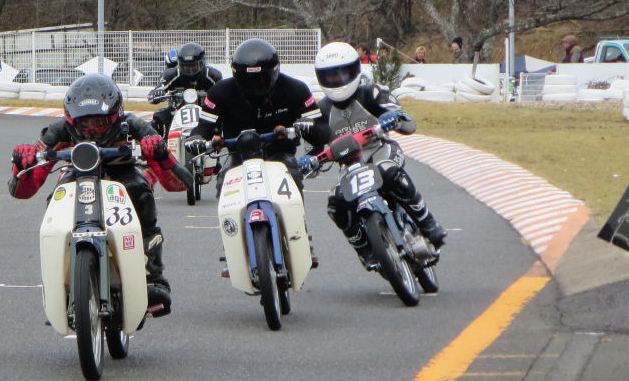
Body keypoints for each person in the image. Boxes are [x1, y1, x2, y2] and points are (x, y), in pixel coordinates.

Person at [8, 73, 191, 313]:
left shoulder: (133, 126)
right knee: (56, 201)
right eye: (85, 124)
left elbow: (180, 183)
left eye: (100, 123)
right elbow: (22, 189)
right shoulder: (58, 131)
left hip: (123, 173)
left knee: (141, 192)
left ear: (115, 117)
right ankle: (60, 279)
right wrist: (22, 162)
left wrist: (159, 153)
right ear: (72, 120)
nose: (93, 130)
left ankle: (152, 276)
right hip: (77, 174)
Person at [311, 41, 447, 269]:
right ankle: (365, 250)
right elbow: (312, 146)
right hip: (350, 166)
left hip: (382, 150)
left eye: (343, 73)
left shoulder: (371, 92)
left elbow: (406, 120)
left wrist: (393, 117)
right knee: (335, 205)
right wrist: (309, 159)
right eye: (331, 77)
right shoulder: (320, 110)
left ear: (355, 70)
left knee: (389, 172)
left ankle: (428, 224)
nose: (338, 80)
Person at [185, 38, 325, 197]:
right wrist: (196, 137)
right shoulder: (220, 92)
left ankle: (296, 222)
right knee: (224, 183)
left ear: (275, 71)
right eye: (247, 80)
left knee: (293, 181)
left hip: (280, 154)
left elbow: (322, 128)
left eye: (261, 79)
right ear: (236, 74)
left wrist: (310, 127)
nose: (254, 86)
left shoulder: (295, 89)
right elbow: (204, 127)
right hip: (238, 155)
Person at [149, 42, 223, 137]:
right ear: (180, 64)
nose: (190, 70)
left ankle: (218, 142)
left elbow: (223, 92)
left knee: (222, 117)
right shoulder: (171, 74)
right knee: (159, 117)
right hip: (176, 110)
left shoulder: (213, 75)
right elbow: (156, 91)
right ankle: (161, 145)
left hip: (205, 111)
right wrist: (157, 93)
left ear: (202, 62)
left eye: (193, 66)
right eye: (186, 66)